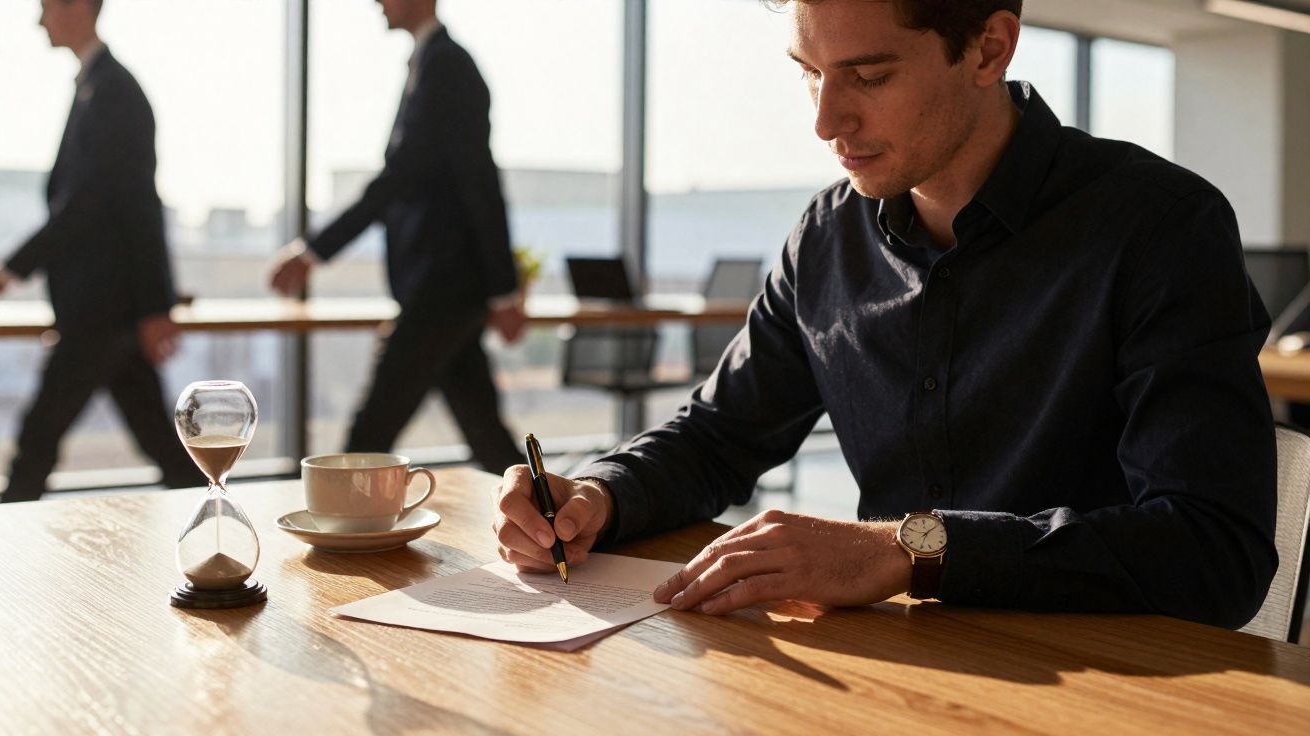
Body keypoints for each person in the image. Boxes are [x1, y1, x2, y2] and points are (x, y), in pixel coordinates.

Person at [492, 0, 1278, 629]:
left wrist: (911, 550)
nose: (826, 121)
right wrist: (600, 493)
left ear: (988, 49)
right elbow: (718, 438)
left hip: (1102, 693)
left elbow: (1214, 552)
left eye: (867, 77)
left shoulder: (1161, 227)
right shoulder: (827, 237)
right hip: (887, 678)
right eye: (810, 73)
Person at [268, 0, 524, 474]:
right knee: (486, 436)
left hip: (442, 289)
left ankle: (339, 535)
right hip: (442, 288)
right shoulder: (432, 64)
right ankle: (555, 529)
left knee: (368, 437)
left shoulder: (448, 68)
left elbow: (470, 183)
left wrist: (315, 251)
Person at [0, 0, 204, 503]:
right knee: (162, 443)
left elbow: (112, 206)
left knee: (37, 441)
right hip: (110, 311)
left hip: (100, 311)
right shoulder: (99, 86)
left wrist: (11, 268)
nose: (39, 20)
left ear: (77, 8)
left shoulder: (113, 92)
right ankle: (218, 529)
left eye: (45, 7)